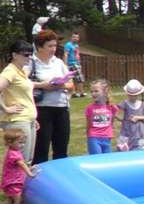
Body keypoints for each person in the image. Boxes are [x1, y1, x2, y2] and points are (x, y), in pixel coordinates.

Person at [31, 30, 73, 163]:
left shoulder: (58, 62)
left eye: (55, 46)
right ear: (39, 46)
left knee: (61, 147)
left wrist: (61, 85)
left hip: (62, 108)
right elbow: (21, 83)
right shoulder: (31, 62)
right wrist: (43, 85)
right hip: (42, 109)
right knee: (41, 148)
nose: (53, 49)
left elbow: (71, 84)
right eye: (49, 46)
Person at [0, 40, 40, 164]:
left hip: (28, 120)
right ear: (14, 55)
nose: (29, 58)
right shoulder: (10, 71)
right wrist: (6, 108)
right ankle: (16, 184)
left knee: (27, 160)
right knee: (20, 161)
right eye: (26, 55)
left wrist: (33, 118)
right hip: (18, 120)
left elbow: (24, 96)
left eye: (31, 54)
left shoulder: (21, 72)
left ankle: (23, 183)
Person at [2, 129, 38, 204]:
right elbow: (21, 164)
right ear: (10, 142)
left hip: (8, 181)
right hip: (15, 182)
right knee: (18, 200)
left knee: (10, 200)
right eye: (20, 142)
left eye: (23, 142)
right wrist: (30, 173)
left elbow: (18, 166)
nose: (22, 145)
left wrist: (29, 168)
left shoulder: (11, 152)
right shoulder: (15, 154)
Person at [85, 79, 118, 154]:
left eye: (96, 91)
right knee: (96, 159)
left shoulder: (111, 107)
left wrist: (109, 133)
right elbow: (88, 125)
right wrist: (89, 136)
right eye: (91, 91)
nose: (93, 94)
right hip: (94, 138)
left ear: (105, 91)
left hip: (106, 138)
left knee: (107, 160)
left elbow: (111, 123)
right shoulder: (90, 108)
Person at [116, 79, 144, 151]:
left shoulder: (142, 104)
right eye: (130, 95)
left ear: (138, 94)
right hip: (126, 132)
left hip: (139, 133)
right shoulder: (124, 104)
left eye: (134, 95)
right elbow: (120, 117)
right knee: (124, 150)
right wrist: (115, 115)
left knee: (140, 150)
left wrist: (137, 117)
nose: (132, 97)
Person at [62, 32, 86, 97]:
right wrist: (65, 64)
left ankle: (76, 92)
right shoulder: (68, 45)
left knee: (76, 79)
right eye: (74, 37)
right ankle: (80, 92)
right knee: (78, 78)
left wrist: (79, 62)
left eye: (77, 37)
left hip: (77, 63)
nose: (76, 38)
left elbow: (77, 55)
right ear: (71, 38)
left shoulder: (76, 45)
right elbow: (65, 54)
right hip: (72, 64)